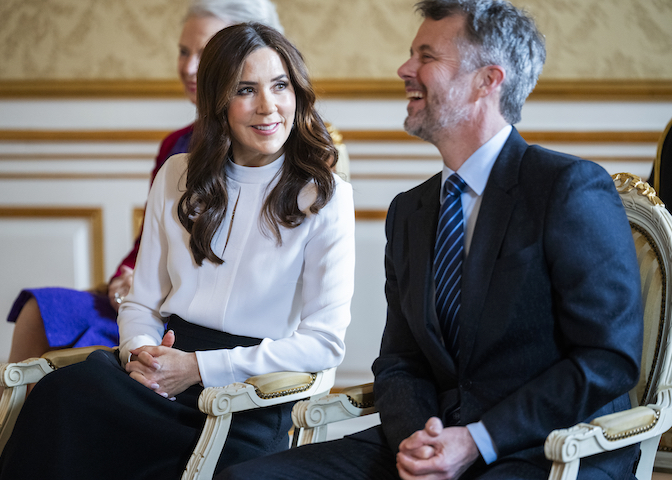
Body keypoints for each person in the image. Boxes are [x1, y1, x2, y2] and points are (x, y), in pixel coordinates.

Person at [217, 1, 643, 479]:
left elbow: (608, 358)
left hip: (547, 447)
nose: (405, 69)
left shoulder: (567, 188)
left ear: (487, 80)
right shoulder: (409, 212)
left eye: (426, 56)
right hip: (427, 438)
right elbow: (400, 361)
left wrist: (478, 441)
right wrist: (419, 440)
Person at [0, 22, 354, 480]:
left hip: (248, 395)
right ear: (218, 102)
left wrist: (197, 368)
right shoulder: (176, 175)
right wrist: (143, 357)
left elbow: (323, 344)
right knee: (64, 394)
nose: (268, 106)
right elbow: (141, 303)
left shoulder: (324, 196)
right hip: (159, 375)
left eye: (280, 85)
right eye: (246, 90)